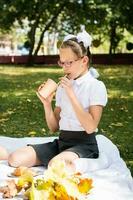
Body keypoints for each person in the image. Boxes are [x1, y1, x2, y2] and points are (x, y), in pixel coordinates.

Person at [7, 30, 107, 172]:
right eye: (62, 62)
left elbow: (91, 127)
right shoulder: (62, 87)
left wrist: (71, 95)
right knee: (15, 159)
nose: (64, 68)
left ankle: (88, 163)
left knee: (55, 166)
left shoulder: (95, 86)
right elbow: (54, 127)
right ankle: (66, 161)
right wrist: (47, 104)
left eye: (69, 63)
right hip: (62, 142)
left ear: (84, 61)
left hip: (84, 145)